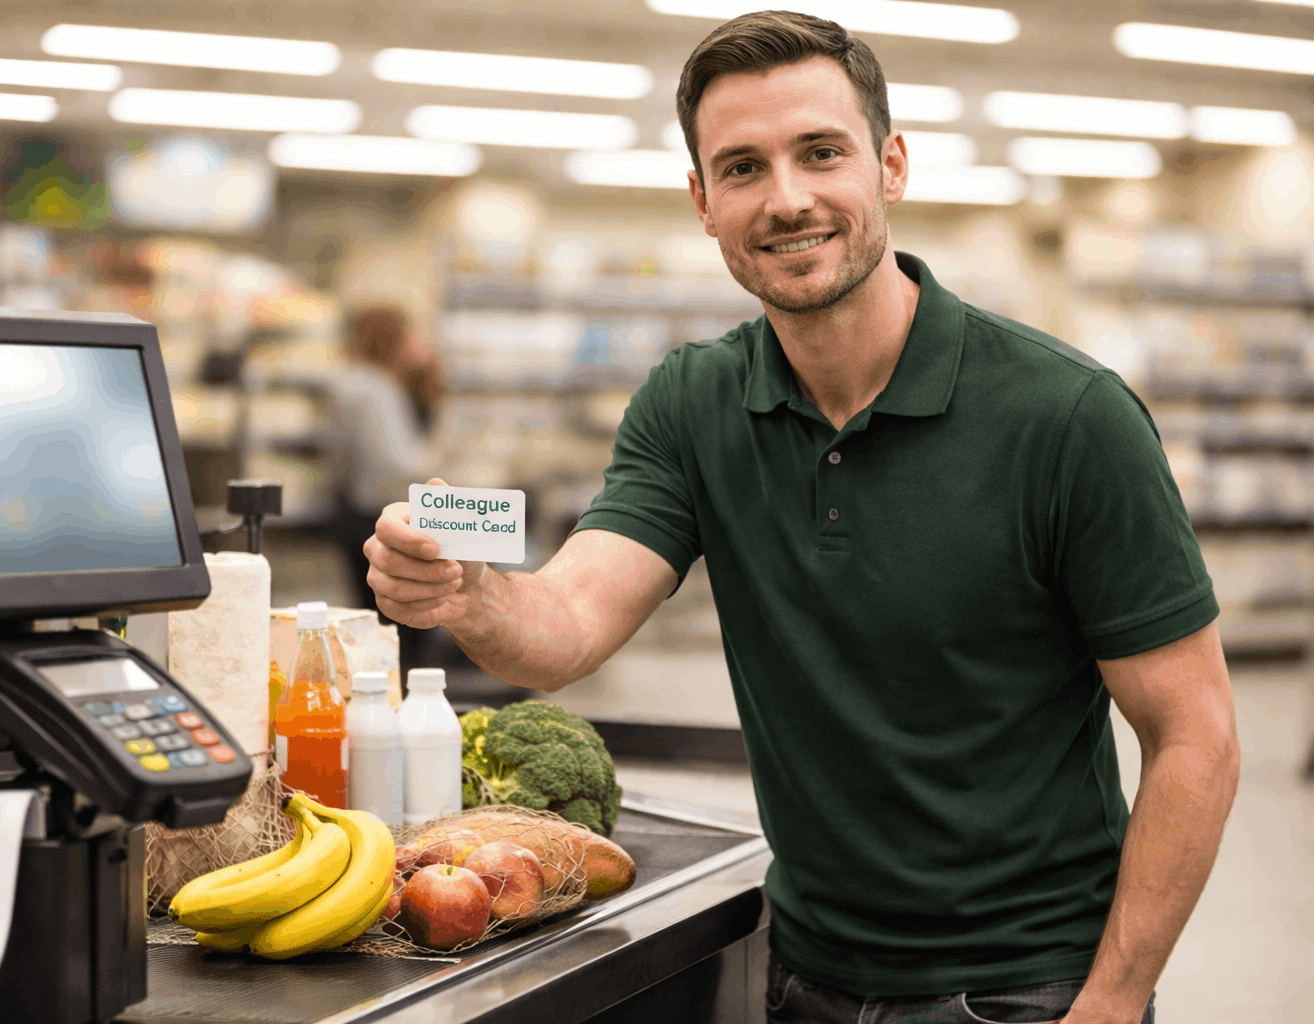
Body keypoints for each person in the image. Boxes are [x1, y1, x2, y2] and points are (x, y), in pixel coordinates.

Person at [364, 11, 1238, 1024]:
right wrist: (469, 595)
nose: (787, 199)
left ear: (890, 167)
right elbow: (564, 628)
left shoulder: (1070, 419)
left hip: (1024, 988)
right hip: (804, 976)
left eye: (821, 153)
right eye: (742, 167)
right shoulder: (692, 403)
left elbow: (1196, 734)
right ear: (702, 201)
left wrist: (1115, 999)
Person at [325, 306, 440, 666]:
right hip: (384, 513)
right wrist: (445, 462)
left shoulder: (353, 383)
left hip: (355, 511)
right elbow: (401, 463)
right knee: (404, 627)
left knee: (376, 620)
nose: (419, 342)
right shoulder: (373, 390)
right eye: (411, 333)